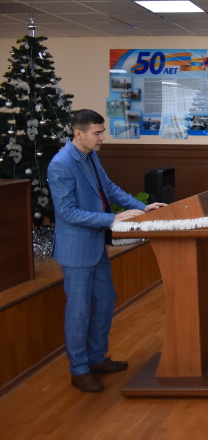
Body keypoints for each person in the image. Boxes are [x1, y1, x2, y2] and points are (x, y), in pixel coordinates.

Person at [48, 109, 167, 392]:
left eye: (102, 132)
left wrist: (141, 207)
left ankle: (96, 358)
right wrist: (112, 219)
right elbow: (66, 213)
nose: (103, 138)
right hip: (76, 249)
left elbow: (109, 188)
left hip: (95, 245)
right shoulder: (61, 164)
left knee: (104, 299)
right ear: (79, 134)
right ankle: (79, 369)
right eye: (97, 133)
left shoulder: (90, 155)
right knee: (78, 311)